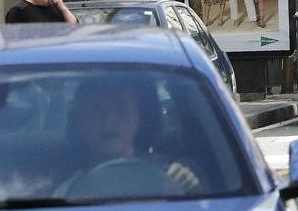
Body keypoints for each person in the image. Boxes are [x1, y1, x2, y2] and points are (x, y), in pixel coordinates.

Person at [56, 78, 200, 197]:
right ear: (79, 121)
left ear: (139, 118)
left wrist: (190, 190)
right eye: (96, 109)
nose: (109, 119)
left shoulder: (172, 178)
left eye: (120, 107)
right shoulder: (58, 191)